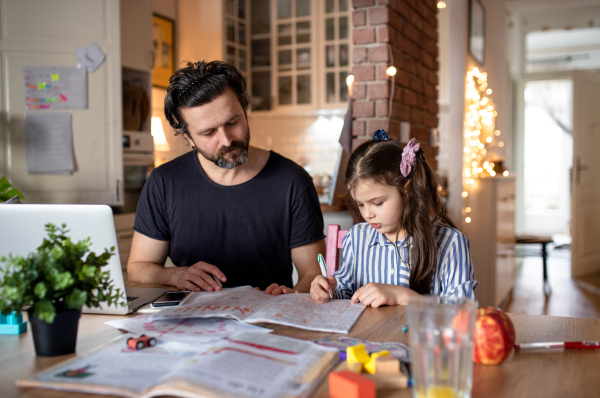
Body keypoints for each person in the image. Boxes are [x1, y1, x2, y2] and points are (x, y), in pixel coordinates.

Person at [127, 61, 326, 295]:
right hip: (189, 324)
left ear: (244, 111)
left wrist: (290, 297)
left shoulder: (293, 181)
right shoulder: (164, 182)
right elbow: (137, 269)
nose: (227, 139)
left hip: (270, 321)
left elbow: (313, 273)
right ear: (188, 138)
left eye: (233, 122)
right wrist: (175, 275)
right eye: (209, 132)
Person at [310, 130, 477, 307]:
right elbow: (345, 292)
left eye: (378, 203)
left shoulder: (450, 243)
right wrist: (327, 291)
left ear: (406, 191)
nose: (367, 214)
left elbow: (463, 311)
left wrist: (403, 296)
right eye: (361, 204)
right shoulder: (357, 237)